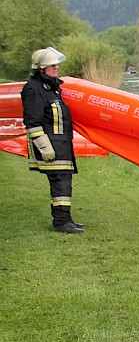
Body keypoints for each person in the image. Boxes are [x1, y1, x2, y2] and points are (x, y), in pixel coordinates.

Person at [22, 47, 83, 234]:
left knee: (64, 181)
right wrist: (44, 147)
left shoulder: (52, 88)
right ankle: (61, 222)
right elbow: (32, 121)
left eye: (56, 64)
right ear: (41, 68)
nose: (56, 67)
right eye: (51, 65)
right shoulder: (33, 89)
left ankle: (66, 218)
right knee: (59, 182)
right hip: (51, 146)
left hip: (62, 144)